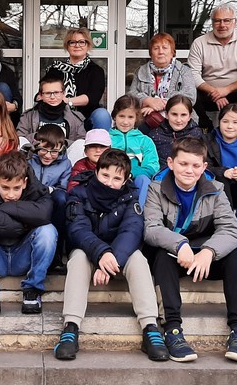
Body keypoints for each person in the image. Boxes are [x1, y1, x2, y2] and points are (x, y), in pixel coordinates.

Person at [54, 149, 170, 363]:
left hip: (118, 253)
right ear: (96, 172)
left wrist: (110, 260)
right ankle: (71, 326)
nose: (109, 182)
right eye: (105, 175)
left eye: (117, 178)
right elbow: (78, 230)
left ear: (125, 180)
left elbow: (132, 231)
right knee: (77, 259)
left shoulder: (131, 196)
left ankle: (150, 327)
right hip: (88, 249)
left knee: (138, 259)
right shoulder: (79, 193)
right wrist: (102, 253)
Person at [143, 137, 237, 363]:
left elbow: (232, 229)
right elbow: (151, 228)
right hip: (174, 254)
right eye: (183, 164)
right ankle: (172, 329)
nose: (189, 170)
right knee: (161, 257)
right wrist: (180, 244)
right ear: (171, 163)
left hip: (204, 256)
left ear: (203, 167)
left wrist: (209, 251)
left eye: (195, 165)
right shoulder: (156, 188)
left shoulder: (216, 189)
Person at [0, 151, 56, 316]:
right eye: (5, 188)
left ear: (25, 182)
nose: (11, 195)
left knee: (48, 231)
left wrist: (6, 208)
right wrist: (27, 222)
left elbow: (44, 215)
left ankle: (33, 289)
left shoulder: (37, 189)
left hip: (23, 256)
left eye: (16, 188)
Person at [187, 3, 237, 125]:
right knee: (189, 92)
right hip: (207, 92)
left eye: (227, 20)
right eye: (217, 21)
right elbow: (193, 74)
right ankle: (205, 127)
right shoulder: (199, 43)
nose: (222, 25)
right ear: (212, 23)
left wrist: (226, 90)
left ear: (235, 22)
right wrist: (216, 92)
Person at [129, 33, 197, 130]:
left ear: (172, 52)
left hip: (179, 120)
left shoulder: (184, 70)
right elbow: (131, 95)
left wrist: (159, 105)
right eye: (156, 48)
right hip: (147, 120)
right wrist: (147, 100)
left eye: (165, 48)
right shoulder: (141, 71)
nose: (160, 52)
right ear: (151, 53)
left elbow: (190, 96)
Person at [48, 27, 111, 131]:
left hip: (86, 118)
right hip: (58, 116)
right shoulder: (55, 69)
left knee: (102, 115)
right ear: (67, 46)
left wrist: (67, 101)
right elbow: (43, 92)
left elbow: (92, 98)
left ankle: (101, 141)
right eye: (72, 42)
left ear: (88, 45)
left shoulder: (95, 70)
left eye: (82, 42)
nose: (77, 45)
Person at [17, 71, 88, 161]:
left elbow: (83, 140)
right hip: (35, 156)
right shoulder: (28, 116)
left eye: (56, 92)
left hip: (64, 158)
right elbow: (20, 137)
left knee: (81, 144)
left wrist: (60, 143)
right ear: (40, 95)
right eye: (48, 93)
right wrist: (39, 140)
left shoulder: (75, 117)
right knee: (20, 140)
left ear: (63, 93)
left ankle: (69, 170)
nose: (52, 97)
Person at [27, 124, 72, 263]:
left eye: (54, 151)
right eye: (44, 150)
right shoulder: (28, 160)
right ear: (37, 145)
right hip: (30, 199)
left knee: (61, 198)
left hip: (51, 199)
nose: (48, 155)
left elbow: (63, 188)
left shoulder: (65, 164)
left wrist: (47, 190)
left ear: (61, 149)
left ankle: (56, 254)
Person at [108, 95, 159, 205]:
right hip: (111, 178)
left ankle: (139, 211)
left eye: (130, 117)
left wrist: (131, 173)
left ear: (136, 118)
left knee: (144, 179)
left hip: (135, 179)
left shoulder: (145, 141)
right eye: (122, 116)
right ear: (114, 116)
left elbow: (152, 166)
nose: (125, 122)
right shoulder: (106, 138)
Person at [149, 94, 204, 166]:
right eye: (174, 114)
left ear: (190, 116)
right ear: (166, 115)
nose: (178, 120)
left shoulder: (197, 134)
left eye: (183, 115)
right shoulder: (155, 135)